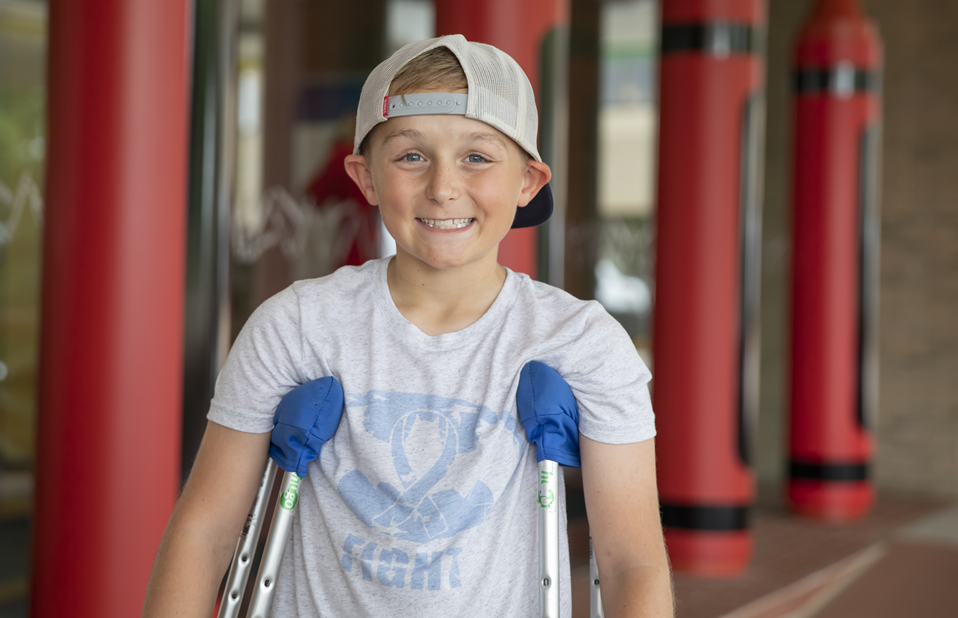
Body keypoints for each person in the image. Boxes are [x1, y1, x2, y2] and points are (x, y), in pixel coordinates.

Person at [143, 35, 673, 618]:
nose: (444, 187)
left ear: (528, 182)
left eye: (477, 156)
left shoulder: (582, 343)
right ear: (365, 177)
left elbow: (630, 563)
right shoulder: (296, 327)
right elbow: (207, 531)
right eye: (411, 156)